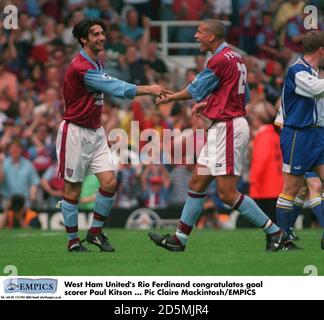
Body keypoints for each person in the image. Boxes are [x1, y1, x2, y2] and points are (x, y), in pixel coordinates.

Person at [148, 19, 287, 252]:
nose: (196, 36)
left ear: (211, 36)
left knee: (227, 193)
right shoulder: (235, 57)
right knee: (196, 181)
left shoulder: (218, 59)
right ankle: (179, 239)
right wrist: (209, 103)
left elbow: (195, 89)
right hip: (222, 125)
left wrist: (170, 97)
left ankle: (275, 233)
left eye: (200, 32)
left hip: (228, 128)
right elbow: (235, 92)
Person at [57, 18, 171, 253]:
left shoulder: (95, 62)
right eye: (95, 34)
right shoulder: (81, 67)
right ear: (83, 39)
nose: (101, 37)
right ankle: (72, 242)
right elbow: (117, 89)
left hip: (95, 131)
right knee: (73, 190)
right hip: (75, 132)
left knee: (109, 183)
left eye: (102, 33)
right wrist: (149, 89)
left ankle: (95, 233)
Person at [275, 31, 324, 250]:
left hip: (316, 134)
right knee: (292, 188)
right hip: (298, 134)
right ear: (321, 50)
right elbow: (315, 91)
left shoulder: (313, 71)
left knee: (313, 185)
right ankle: (281, 239)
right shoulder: (297, 71)